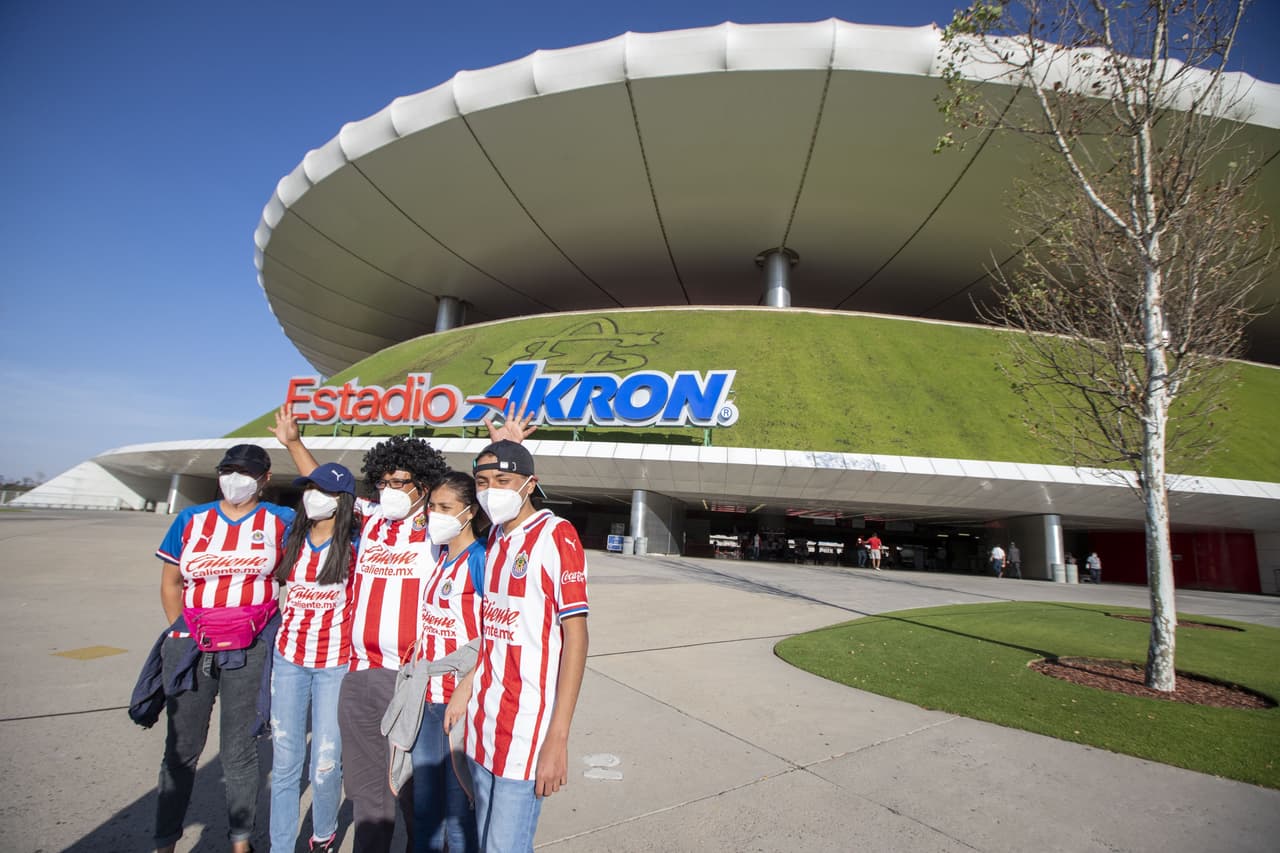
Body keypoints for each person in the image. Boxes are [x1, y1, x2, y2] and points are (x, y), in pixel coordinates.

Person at [272, 404, 532, 851]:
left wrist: (504, 450)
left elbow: (486, 509)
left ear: (421, 487)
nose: (389, 489)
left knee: (417, 794)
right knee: (369, 792)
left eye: (400, 482)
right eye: (383, 481)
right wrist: (295, 443)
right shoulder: (370, 521)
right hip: (358, 674)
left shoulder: (434, 529)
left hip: (409, 678)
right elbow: (325, 485)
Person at [445, 440, 588, 852]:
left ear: (529, 484)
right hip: (483, 724)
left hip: (527, 731)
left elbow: (576, 637)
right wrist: (467, 686)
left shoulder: (555, 535)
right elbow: (494, 631)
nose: (492, 490)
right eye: (483, 482)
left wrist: (558, 738)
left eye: (503, 480)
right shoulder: (493, 543)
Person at [152, 444, 294, 853]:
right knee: (180, 750)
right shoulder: (190, 519)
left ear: (265, 478)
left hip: (250, 647)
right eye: (228, 469)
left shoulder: (280, 520)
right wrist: (182, 631)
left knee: (239, 751)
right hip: (194, 645)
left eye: (246, 471)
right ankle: (164, 841)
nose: (235, 477)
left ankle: (240, 842)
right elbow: (171, 582)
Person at [269, 462, 359, 853]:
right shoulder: (292, 539)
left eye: (320, 490)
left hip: (335, 665)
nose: (311, 496)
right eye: (308, 488)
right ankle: (280, 846)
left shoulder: (356, 548)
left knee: (325, 766)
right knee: (285, 765)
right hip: (288, 660)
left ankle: (322, 838)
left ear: (341, 500)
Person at [410, 471, 489, 853]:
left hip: (461, 704)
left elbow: (499, 635)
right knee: (424, 808)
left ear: (469, 512)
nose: (435, 514)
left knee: (460, 813)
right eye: (432, 506)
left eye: (446, 508)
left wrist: (467, 687)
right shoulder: (438, 557)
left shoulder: (482, 560)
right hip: (425, 700)